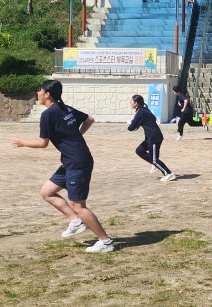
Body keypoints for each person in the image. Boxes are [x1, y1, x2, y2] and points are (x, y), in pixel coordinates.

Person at [10, 79, 114, 253]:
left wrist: (23, 143)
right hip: (70, 160)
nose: (38, 94)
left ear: (47, 94)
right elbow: (89, 119)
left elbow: (43, 143)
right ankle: (75, 221)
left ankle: (105, 241)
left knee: (78, 206)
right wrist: (77, 136)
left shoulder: (48, 114)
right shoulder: (65, 108)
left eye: (40, 91)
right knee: (47, 192)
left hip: (77, 162)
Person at [127, 94, 176, 182]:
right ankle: (155, 164)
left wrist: (130, 124)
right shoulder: (144, 110)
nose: (130, 103)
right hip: (151, 137)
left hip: (154, 137)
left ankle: (168, 174)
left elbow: (130, 128)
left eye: (131, 101)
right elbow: (150, 119)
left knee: (154, 159)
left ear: (136, 103)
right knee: (140, 150)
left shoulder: (140, 112)